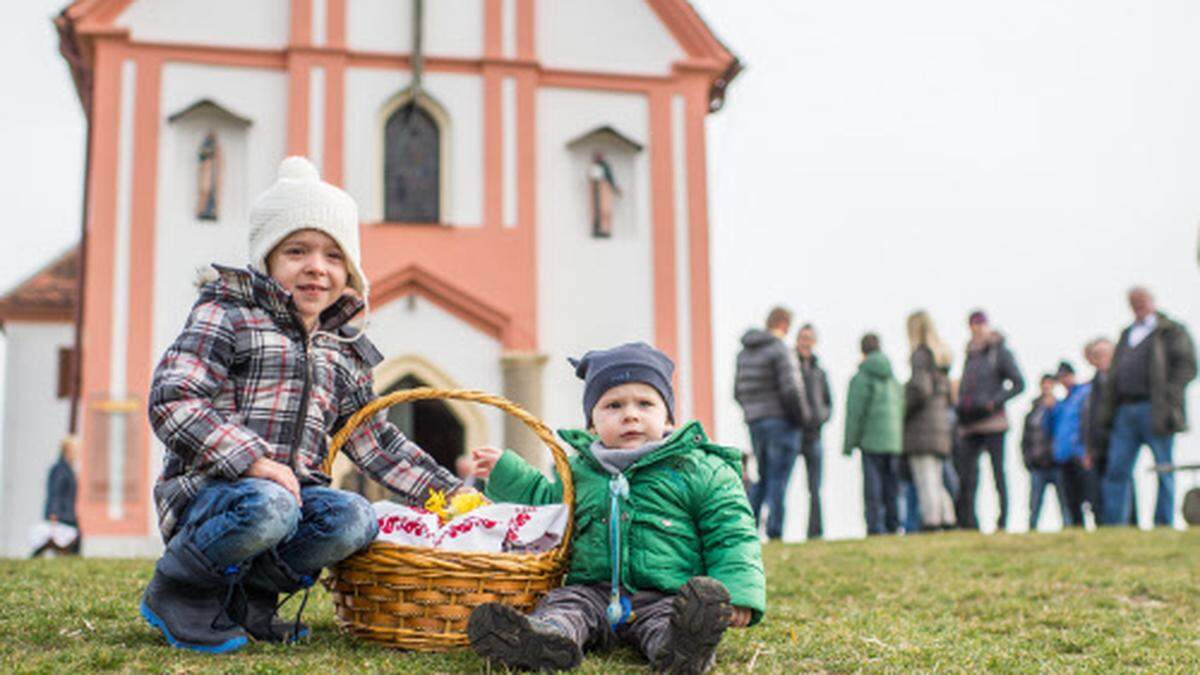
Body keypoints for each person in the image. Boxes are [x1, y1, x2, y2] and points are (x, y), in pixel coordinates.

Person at [139, 157, 473, 653]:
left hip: (288, 506)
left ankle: (252, 599)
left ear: (350, 272)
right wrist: (253, 461)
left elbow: (377, 440)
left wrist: (455, 497)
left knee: (354, 517)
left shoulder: (342, 349)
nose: (317, 266)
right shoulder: (227, 314)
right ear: (267, 259)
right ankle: (183, 590)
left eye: (334, 256)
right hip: (215, 497)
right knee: (268, 504)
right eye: (297, 250)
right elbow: (174, 398)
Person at [467, 343, 765, 673]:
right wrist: (506, 472)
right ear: (591, 424)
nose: (630, 414)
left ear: (667, 416)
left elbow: (731, 531)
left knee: (667, 624)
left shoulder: (698, 469)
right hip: (591, 591)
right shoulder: (579, 471)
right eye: (613, 405)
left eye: (645, 403)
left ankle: (682, 648)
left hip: (665, 593)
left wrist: (739, 592)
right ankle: (543, 639)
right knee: (563, 606)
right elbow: (547, 505)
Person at [1098, 287, 1197, 527]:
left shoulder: (1171, 331)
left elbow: (1188, 366)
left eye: (1141, 300)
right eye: (1133, 302)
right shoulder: (1126, 334)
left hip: (1156, 409)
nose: (1138, 305)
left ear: (1152, 301)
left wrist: (1168, 395)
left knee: (1163, 466)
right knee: (1117, 469)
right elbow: (1114, 374)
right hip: (1125, 410)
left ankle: (1163, 522)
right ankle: (1114, 525)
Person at [734, 307, 810, 540]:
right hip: (781, 423)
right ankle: (776, 531)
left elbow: (737, 391)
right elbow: (791, 389)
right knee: (778, 480)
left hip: (755, 422)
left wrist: (753, 412)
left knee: (763, 477)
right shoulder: (779, 350)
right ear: (785, 325)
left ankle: (750, 529)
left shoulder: (744, 354)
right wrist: (801, 418)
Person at [954, 310, 1025, 531]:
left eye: (979, 324)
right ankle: (968, 522)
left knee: (998, 473)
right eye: (972, 324)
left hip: (994, 423)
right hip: (970, 424)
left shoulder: (1000, 352)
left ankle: (1002, 522)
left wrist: (995, 402)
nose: (976, 328)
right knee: (967, 474)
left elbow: (1019, 383)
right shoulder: (969, 354)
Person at [844, 333, 903, 536]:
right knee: (892, 485)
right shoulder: (893, 378)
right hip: (894, 440)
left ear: (863, 351)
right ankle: (894, 524)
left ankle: (875, 527)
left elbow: (855, 413)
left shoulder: (861, 378)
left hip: (871, 441)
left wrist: (849, 444)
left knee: (873, 486)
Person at [903, 311, 956, 531]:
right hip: (940, 425)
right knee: (935, 476)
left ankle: (932, 521)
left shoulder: (920, 355)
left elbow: (920, 389)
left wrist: (904, 407)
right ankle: (947, 518)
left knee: (925, 476)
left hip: (922, 426)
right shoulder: (940, 360)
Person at [1082, 337, 1136, 525]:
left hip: (1120, 440)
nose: (1102, 358)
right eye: (1097, 355)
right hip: (1098, 446)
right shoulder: (1091, 388)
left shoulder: (1124, 382)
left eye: (1106, 354)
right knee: (1098, 489)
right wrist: (1087, 449)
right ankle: (1105, 524)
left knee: (1120, 482)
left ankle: (1127, 523)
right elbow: (1087, 421)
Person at [794, 323, 832, 539]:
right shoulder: (790, 366)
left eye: (809, 339)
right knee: (783, 483)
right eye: (802, 338)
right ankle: (775, 530)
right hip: (793, 432)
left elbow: (829, 403)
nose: (805, 343)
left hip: (814, 435)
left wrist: (820, 417)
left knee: (815, 488)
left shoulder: (820, 371)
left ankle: (816, 532)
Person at [1045, 362, 1091, 527]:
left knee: (1089, 496)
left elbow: (1087, 423)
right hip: (1063, 456)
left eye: (1065, 376)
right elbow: (1051, 429)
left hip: (1080, 454)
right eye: (1060, 378)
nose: (1064, 380)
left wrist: (1085, 449)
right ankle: (1076, 528)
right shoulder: (1061, 403)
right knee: (1071, 499)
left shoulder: (1085, 393)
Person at [1023, 375, 1069, 530]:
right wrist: (1027, 460)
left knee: (1064, 501)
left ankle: (1068, 527)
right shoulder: (1032, 412)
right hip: (1037, 464)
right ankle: (1032, 528)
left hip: (1057, 463)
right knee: (1034, 503)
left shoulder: (1061, 408)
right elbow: (1025, 439)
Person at [31, 435, 81, 557]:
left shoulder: (68, 469)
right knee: (58, 542)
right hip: (61, 514)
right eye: (75, 450)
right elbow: (55, 492)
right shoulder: (59, 469)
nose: (77, 453)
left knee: (69, 543)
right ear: (67, 450)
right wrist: (53, 513)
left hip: (68, 514)